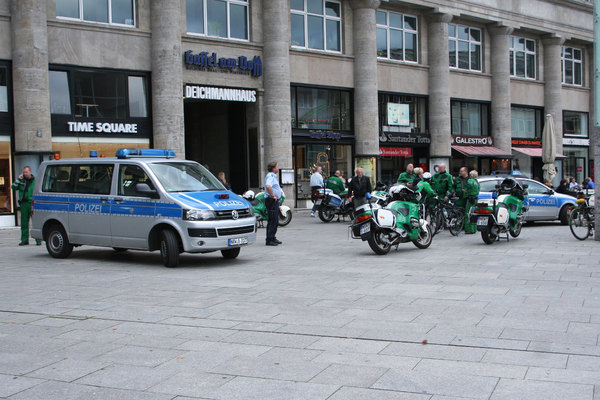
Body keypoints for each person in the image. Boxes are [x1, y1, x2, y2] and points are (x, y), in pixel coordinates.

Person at [11, 166, 41, 246]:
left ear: (30, 172)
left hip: (32, 203)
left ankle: (38, 240)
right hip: (23, 203)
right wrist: (18, 179)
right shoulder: (21, 181)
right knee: (24, 223)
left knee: (35, 222)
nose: (25, 174)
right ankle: (24, 240)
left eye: (26, 172)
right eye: (24, 172)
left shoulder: (35, 181)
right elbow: (13, 187)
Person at [264, 161, 282, 246]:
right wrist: (273, 195)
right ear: (273, 168)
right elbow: (268, 186)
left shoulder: (273, 176)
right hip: (271, 200)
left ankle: (272, 237)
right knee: (273, 220)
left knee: (274, 220)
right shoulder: (270, 176)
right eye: (277, 167)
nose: (278, 168)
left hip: (273, 200)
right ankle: (269, 239)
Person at [464, 170, 480, 234]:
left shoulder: (470, 181)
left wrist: (466, 190)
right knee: (474, 213)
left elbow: (469, 185)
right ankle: (474, 229)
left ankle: (469, 229)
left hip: (470, 198)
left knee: (468, 213)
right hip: (475, 199)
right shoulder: (477, 182)